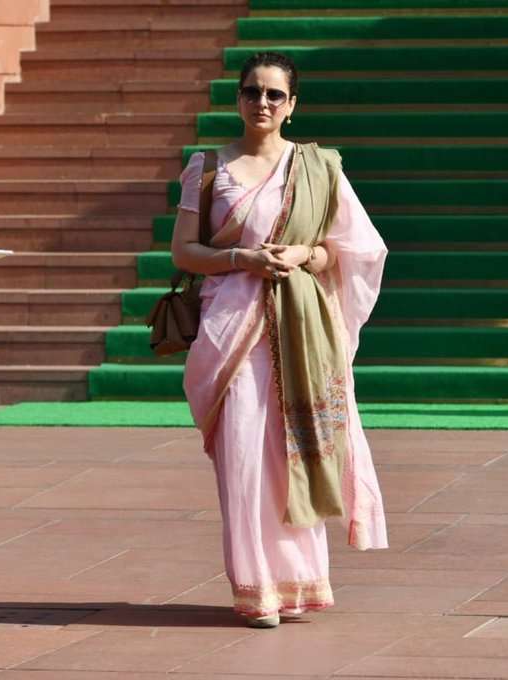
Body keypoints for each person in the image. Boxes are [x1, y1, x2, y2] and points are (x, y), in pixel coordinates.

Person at [171, 51, 388, 628]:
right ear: (238, 99)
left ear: (292, 105)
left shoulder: (319, 167)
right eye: (252, 91)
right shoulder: (207, 166)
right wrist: (241, 258)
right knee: (244, 458)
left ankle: (300, 583)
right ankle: (256, 589)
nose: (261, 102)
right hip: (230, 332)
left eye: (274, 94)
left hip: (300, 330)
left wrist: (303, 253)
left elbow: (355, 250)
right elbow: (184, 251)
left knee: (293, 453)